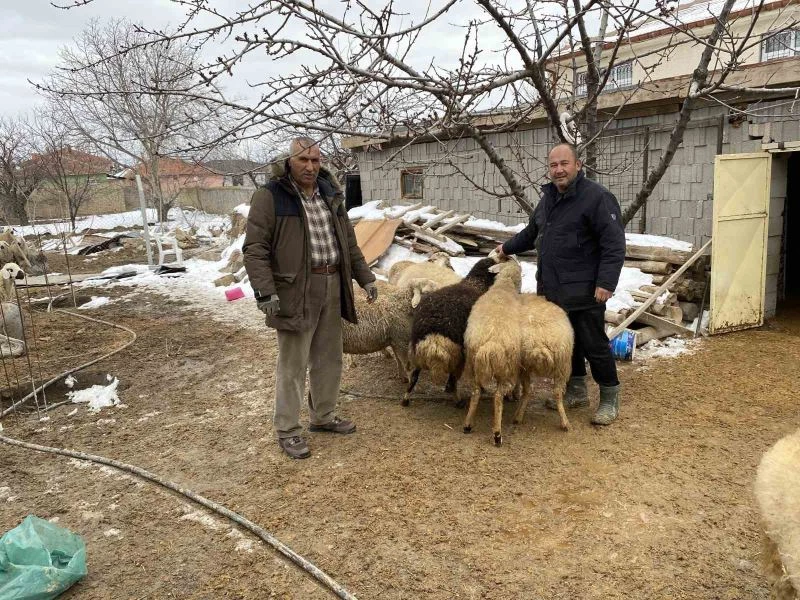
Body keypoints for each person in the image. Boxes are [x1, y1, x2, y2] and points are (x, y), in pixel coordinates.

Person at [243, 137, 377, 458]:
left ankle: (324, 416)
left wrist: (365, 277)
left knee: (329, 357)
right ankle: (288, 429)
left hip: (332, 284)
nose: (310, 166)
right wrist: (265, 291)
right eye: (303, 160)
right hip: (294, 290)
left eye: (316, 160)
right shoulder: (271, 196)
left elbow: (349, 242)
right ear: (289, 160)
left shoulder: (330, 194)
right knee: (293, 364)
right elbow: (255, 248)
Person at [496, 143, 626, 425]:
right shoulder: (549, 199)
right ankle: (576, 391)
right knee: (568, 344)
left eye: (564, 164)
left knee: (594, 343)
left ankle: (609, 397)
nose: (558, 170)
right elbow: (532, 233)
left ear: (578, 165)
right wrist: (506, 248)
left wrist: (606, 282)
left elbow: (614, 244)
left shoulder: (597, 198)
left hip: (586, 289)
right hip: (553, 290)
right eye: (553, 165)